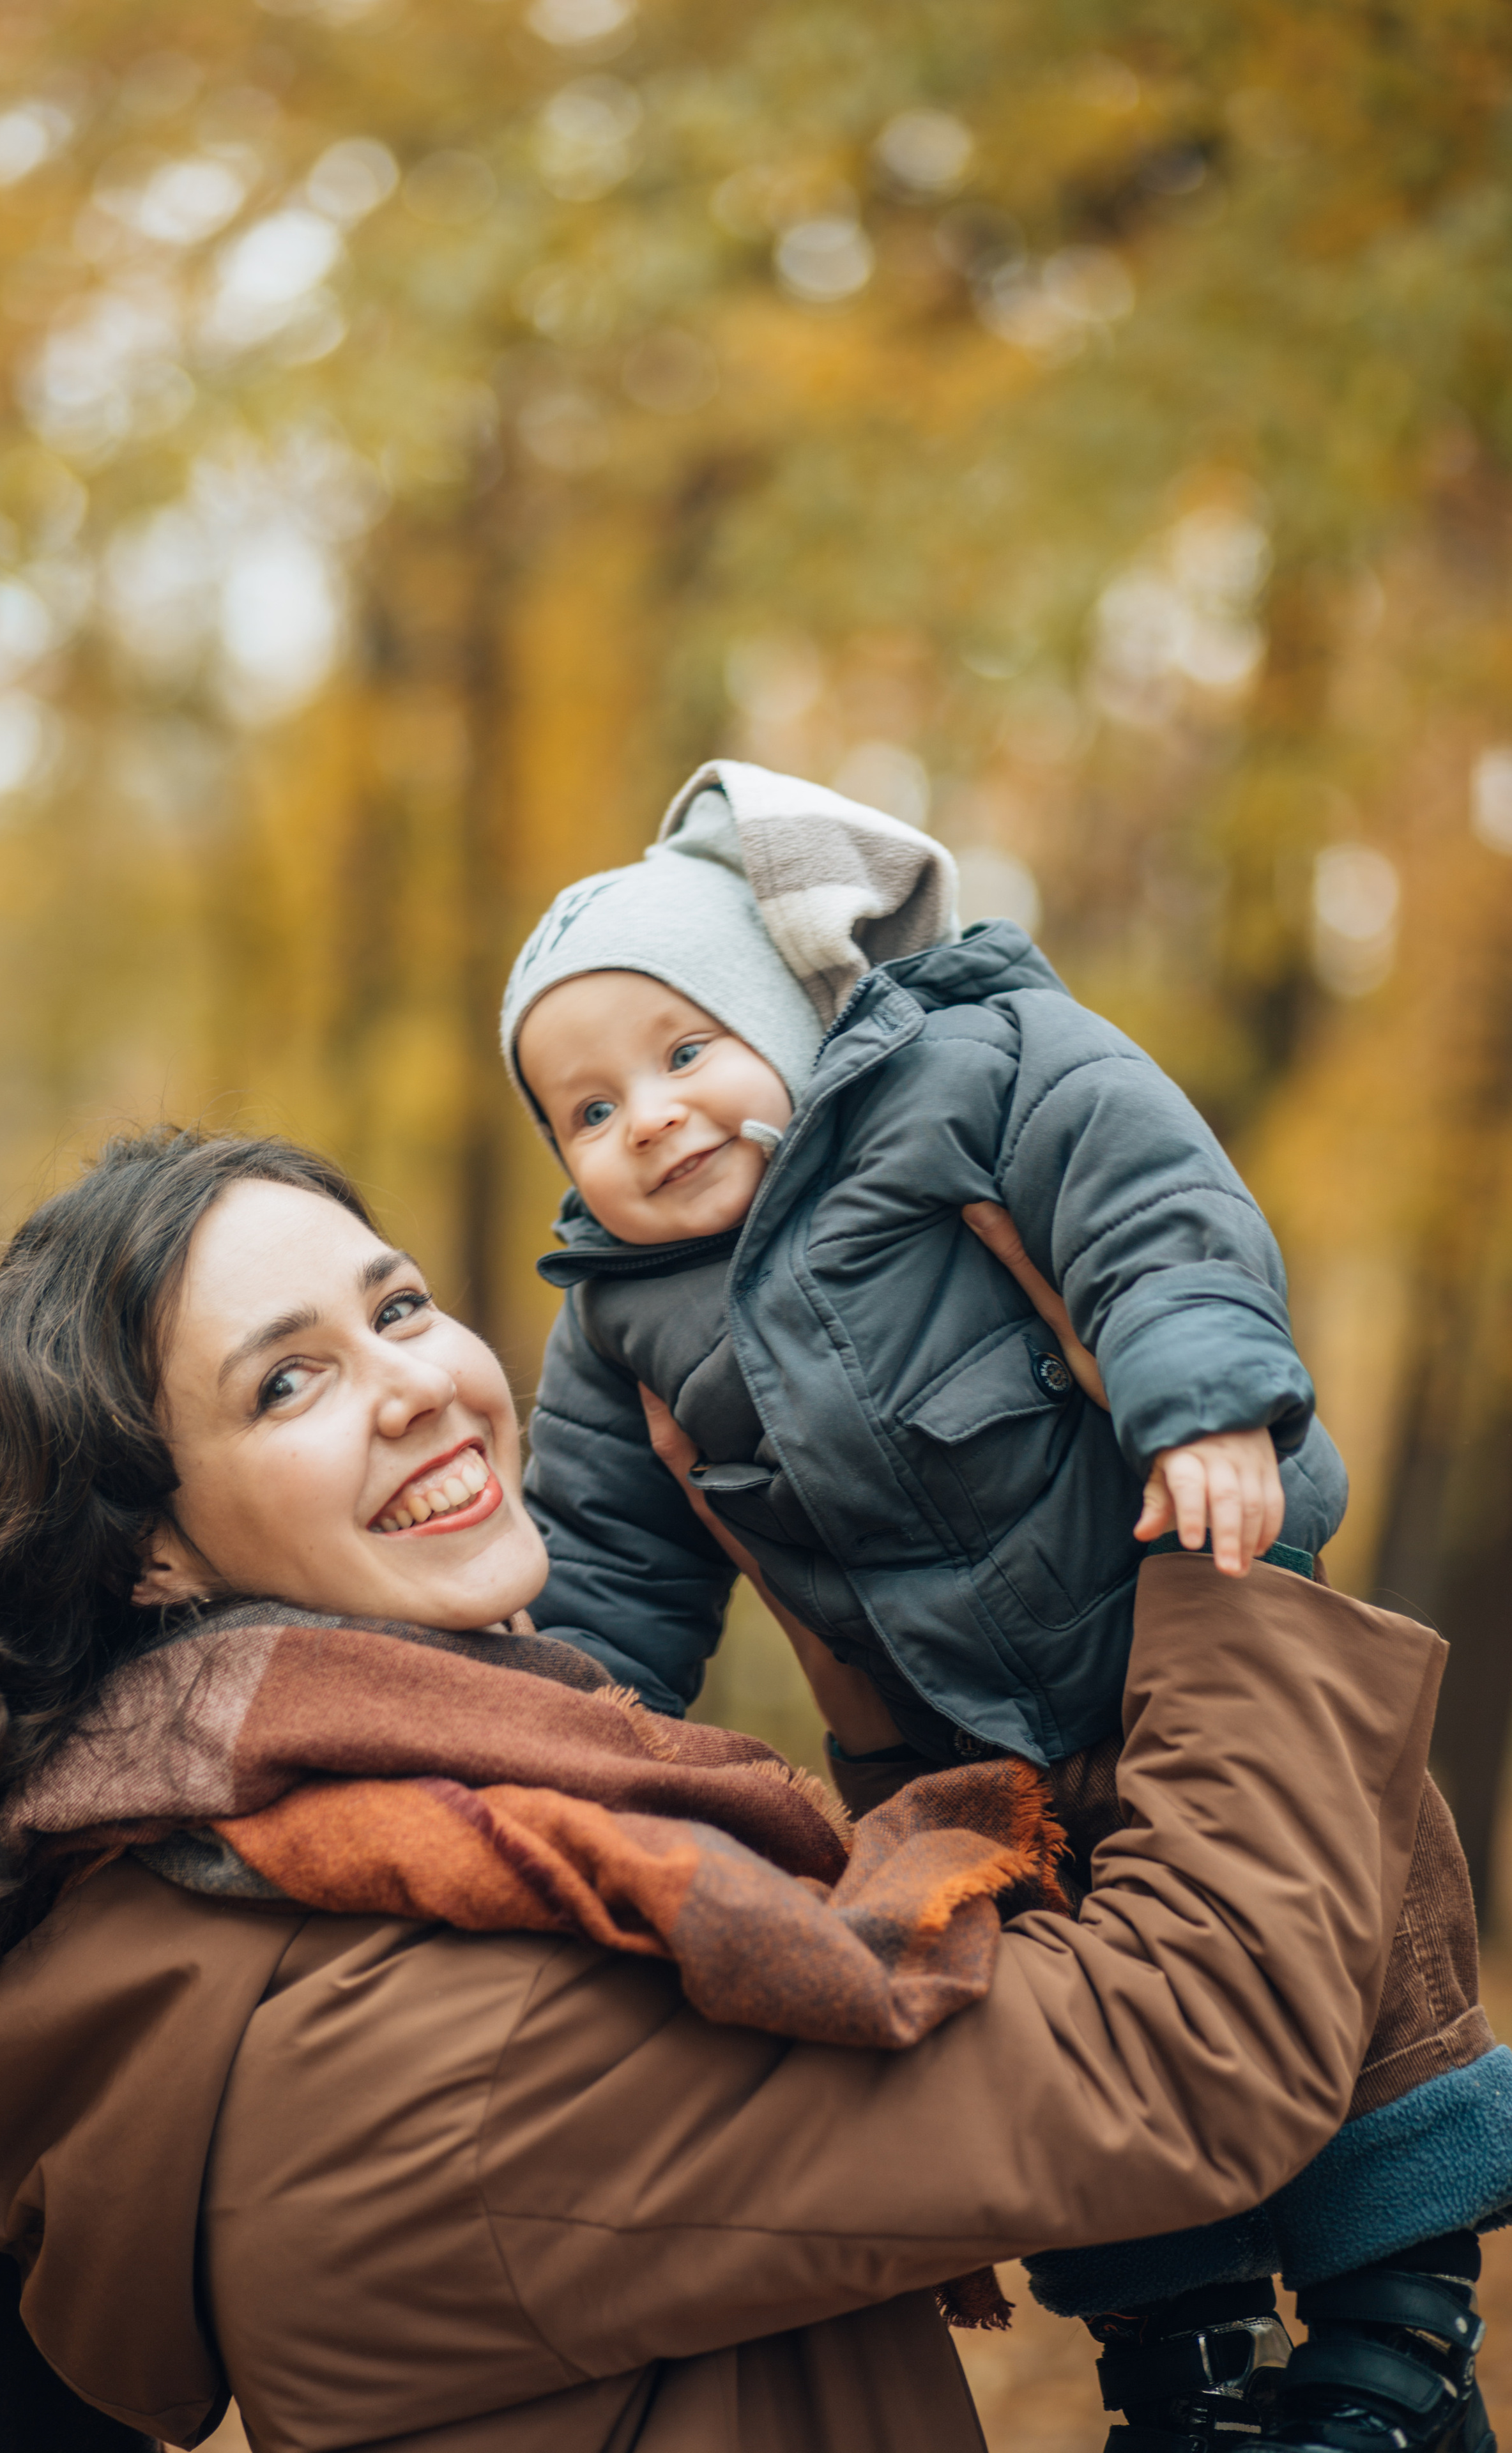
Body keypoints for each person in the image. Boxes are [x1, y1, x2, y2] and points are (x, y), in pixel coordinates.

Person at [0, 1127, 1457, 2453]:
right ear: (154, 1551)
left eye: (400, 1305)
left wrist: (907, 1738)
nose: (417, 1384)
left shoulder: (279, 1886)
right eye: (284, 1385)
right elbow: (1179, 2051)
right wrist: (1211, 1528)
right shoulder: (406, 2039)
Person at [502, 761, 1511, 2453]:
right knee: (1047, 2028)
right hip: (962, 1754)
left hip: (1185, 1607)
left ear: (787, 1020)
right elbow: (604, 1559)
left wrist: (1201, 1391)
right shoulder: (613, 1324)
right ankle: (1174, 2360)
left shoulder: (959, 1069)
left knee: (1359, 1927)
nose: (649, 1120)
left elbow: (1147, 1204)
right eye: (587, 1113)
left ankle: (1397, 2347)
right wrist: (565, 1730)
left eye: (684, 1054)